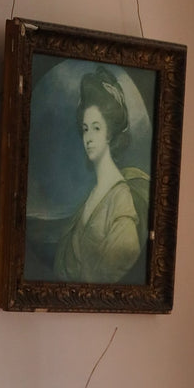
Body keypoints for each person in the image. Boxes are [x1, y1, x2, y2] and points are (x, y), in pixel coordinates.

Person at [54, 66, 149, 283]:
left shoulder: (121, 198)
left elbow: (117, 271)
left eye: (97, 128)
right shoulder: (92, 195)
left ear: (110, 133)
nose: (88, 137)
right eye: (85, 128)